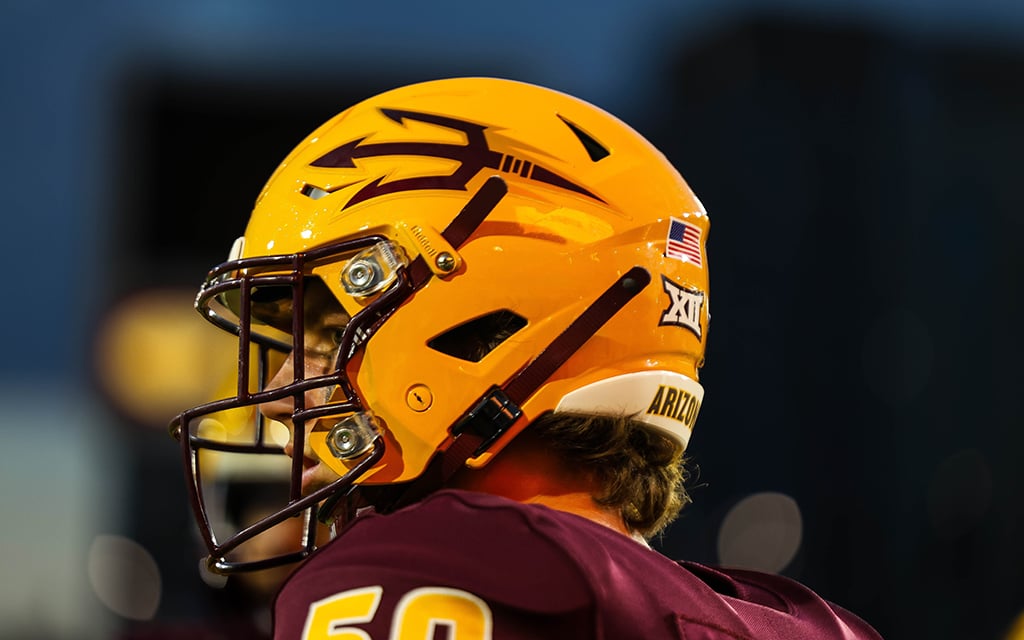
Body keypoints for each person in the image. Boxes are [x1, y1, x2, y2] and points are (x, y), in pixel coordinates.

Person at [170, 77, 882, 639]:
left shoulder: (422, 569)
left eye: (325, 333)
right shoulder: (818, 623)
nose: (282, 389)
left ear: (480, 315)